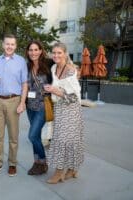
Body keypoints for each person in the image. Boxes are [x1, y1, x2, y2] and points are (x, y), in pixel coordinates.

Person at [0, 34, 28, 177]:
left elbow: (24, 84)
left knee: (13, 136)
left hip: (13, 101)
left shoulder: (21, 61)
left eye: (12, 44)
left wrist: (22, 103)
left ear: (15, 46)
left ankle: (12, 163)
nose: (9, 46)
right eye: (7, 44)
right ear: (3, 45)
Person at [43, 42, 84, 184]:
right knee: (64, 139)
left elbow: (74, 97)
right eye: (54, 53)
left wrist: (56, 91)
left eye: (59, 52)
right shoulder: (54, 68)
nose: (56, 55)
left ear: (65, 53)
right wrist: (52, 90)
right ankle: (72, 169)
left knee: (64, 140)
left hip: (71, 110)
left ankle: (60, 172)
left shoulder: (72, 71)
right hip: (59, 108)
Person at [25, 40, 52, 176]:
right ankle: (37, 163)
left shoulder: (48, 63)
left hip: (43, 105)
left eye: (36, 49)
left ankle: (43, 161)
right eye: (31, 50)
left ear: (41, 50)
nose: (33, 52)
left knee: (32, 135)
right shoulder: (26, 66)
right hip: (30, 106)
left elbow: (64, 66)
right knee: (35, 136)